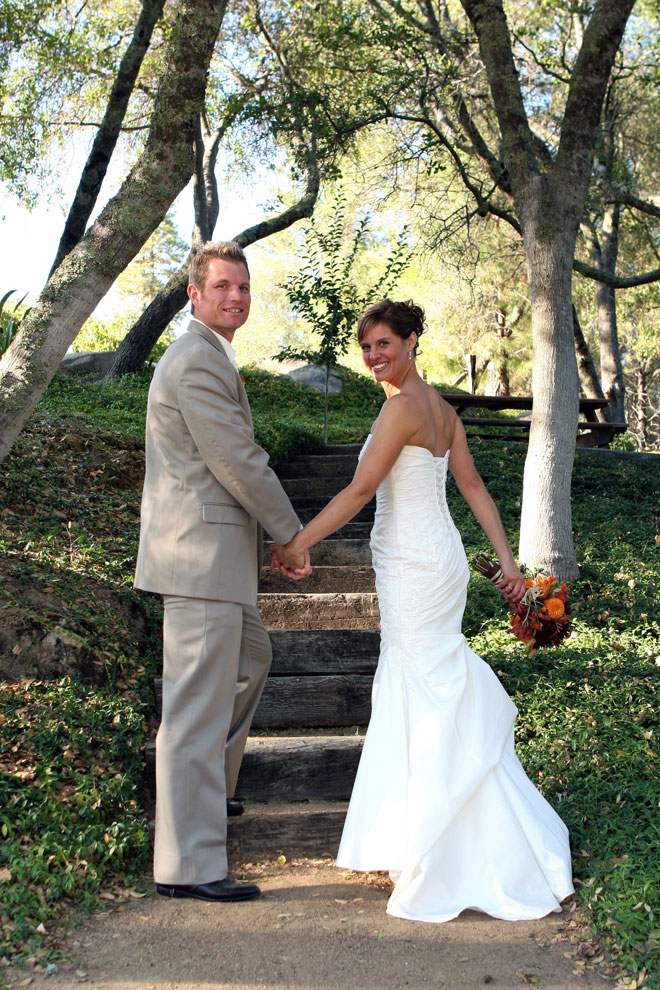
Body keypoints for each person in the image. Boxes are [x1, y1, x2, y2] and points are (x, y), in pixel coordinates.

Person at [270, 298, 574, 922]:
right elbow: (472, 487)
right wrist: (509, 565)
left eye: (384, 343)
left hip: (414, 564)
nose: (373, 355)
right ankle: (427, 834)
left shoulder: (403, 408)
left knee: (420, 689)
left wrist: (299, 542)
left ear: (412, 341)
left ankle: (435, 846)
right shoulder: (441, 409)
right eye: (366, 347)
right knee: (432, 685)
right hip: (441, 560)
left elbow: (361, 489)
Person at [135, 241, 310, 904]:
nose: (236, 297)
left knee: (252, 658)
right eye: (223, 286)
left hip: (214, 562)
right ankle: (190, 865)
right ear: (195, 294)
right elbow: (238, 460)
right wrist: (290, 534)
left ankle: (209, 789)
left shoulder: (211, 355)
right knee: (193, 714)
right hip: (197, 562)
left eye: (243, 287)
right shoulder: (195, 360)